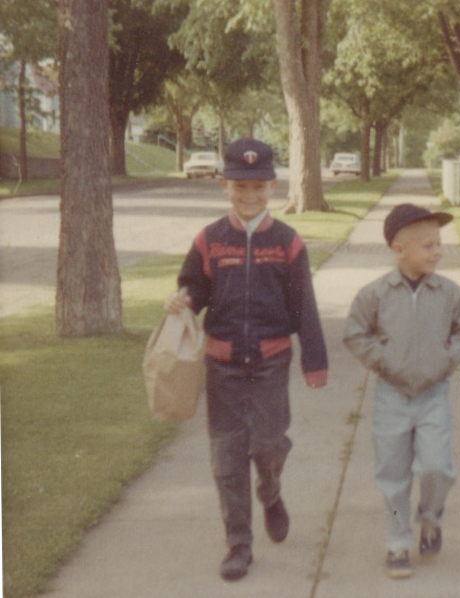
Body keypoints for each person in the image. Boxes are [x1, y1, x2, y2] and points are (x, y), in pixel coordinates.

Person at [165, 138, 328, 581]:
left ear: (271, 186)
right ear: (225, 186)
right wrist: (184, 298)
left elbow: (304, 307)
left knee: (270, 443)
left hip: (272, 362)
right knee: (226, 455)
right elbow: (195, 286)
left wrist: (315, 360)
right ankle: (239, 542)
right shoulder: (210, 240)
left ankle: (270, 491)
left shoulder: (288, 242)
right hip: (222, 365)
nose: (249, 195)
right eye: (240, 187)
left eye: (258, 186)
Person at [343, 204, 460, 579]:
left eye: (439, 244)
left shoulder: (449, 293)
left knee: (436, 465)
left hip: (433, 395)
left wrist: (446, 360)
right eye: (427, 246)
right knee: (392, 473)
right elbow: (355, 333)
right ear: (399, 249)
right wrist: (383, 359)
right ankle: (397, 541)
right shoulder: (376, 294)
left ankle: (431, 517)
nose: (437, 252)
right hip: (392, 396)